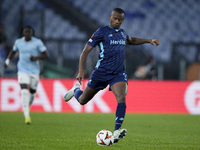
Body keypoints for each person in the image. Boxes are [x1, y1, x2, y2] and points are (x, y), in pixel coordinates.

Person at [64, 8, 160, 143]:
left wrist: (150, 40)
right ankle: (75, 90)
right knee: (82, 100)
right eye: (115, 18)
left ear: (123, 20)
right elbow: (85, 51)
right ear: (110, 17)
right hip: (101, 73)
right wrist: (81, 70)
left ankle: (116, 132)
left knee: (121, 97)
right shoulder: (101, 32)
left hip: (118, 73)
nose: (117, 21)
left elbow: (131, 40)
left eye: (120, 19)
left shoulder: (122, 33)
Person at [4, 25, 49, 124]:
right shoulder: (18, 42)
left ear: (32, 32)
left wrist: (36, 58)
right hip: (22, 70)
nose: (27, 33)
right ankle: (27, 116)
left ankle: (26, 107)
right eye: (26, 32)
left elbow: (46, 54)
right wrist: (7, 61)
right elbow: (13, 51)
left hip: (34, 72)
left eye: (29, 32)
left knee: (32, 94)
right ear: (23, 33)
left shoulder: (37, 42)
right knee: (24, 91)